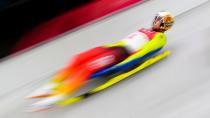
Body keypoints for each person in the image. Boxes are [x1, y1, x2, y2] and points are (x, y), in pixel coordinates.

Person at [28, 11, 174, 108]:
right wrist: (106, 47)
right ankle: (52, 85)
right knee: (78, 58)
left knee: (87, 68)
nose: (156, 22)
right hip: (111, 48)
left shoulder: (160, 37)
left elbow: (143, 52)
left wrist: (123, 65)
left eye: (159, 21)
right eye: (156, 19)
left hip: (121, 54)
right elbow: (124, 40)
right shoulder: (144, 29)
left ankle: (59, 95)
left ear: (164, 25)